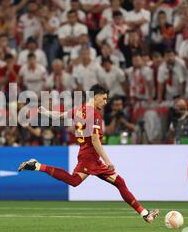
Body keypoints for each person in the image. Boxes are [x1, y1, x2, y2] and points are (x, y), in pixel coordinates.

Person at [18, 84, 160, 223]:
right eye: (104, 99)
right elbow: (95, 140)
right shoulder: (95, 115)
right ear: (95, 97)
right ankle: (37, 166)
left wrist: (46, 113)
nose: (105, 102)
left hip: (86, 154)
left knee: (108, 182)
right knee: (86, 181)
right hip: (90, 157)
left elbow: (60, 116)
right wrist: (108, 161)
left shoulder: (79, 109)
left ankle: (145, 213)